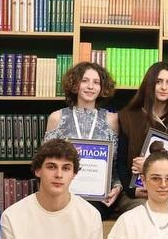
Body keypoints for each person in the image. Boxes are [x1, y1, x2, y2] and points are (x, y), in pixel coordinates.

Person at [115, 61, 168, 213]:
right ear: (149, 84)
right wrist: (132, 190)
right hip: (139, 190)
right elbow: (120, 163)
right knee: (145, 215)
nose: (164, 87)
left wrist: (150, 165)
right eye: (158, 81)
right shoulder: (128, 117)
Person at [44, 61, 122, 218]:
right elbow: (45, 162)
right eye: (85, 81)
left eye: (96, 82)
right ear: (75, 84)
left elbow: (116, 165)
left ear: (102, 87)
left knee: (88, 214)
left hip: (99, 198)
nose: (91, 86)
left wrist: (117, 187)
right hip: (63, 192)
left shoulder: (112, 120)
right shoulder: (57, 118)